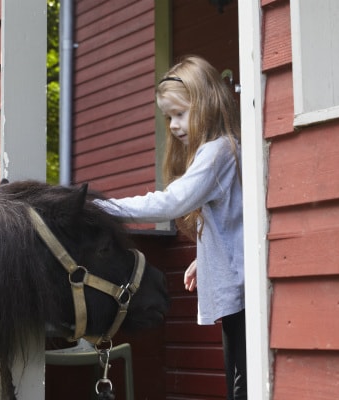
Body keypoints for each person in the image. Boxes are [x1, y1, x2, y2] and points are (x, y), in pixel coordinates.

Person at [96, 55, 246, 399]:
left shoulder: (217, 151)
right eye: (169, 117)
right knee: (237, 379)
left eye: (180, 114)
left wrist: (102, 207)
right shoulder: (224, 150)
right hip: (236, 281)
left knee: (241, 384)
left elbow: (170, 202)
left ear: (206, 105)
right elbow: (235, 220)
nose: (174, 125)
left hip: (241, 290)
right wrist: (204, 259)